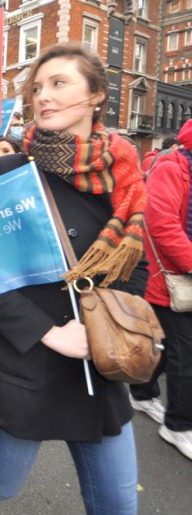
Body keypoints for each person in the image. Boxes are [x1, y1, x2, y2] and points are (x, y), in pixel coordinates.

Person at [0, 43, 148, 514]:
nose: (43, 97)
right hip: (26, 362)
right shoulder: (7, 168)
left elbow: (138, 263)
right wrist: (50, 332)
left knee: (117, 503)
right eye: (36, 88)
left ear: (95, 95)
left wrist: (111, 326)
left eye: (59, 84)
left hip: (98, 367)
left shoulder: (125, 175)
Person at [134, 118, 192, 460]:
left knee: (171, 348)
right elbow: (162, 224)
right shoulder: (171, 167)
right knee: (184, 354)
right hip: (169, 279)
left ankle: (141, 392)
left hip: (180, 276)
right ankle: (179, 425)